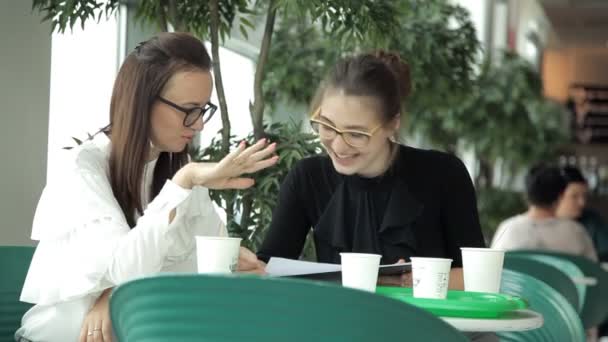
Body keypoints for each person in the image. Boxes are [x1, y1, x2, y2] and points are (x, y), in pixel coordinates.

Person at [16, 32, 275, 342]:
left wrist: (234, 267)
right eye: (188, 110)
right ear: (143, 102)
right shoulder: (83, 169)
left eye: (204, 109)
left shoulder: (178, 166)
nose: (199, 124)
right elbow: (125, 267)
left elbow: (196, 261)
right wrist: (182, 183)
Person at [257, 51, 486, 290]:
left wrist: (412, 280)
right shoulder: (308, 178)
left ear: (392, 123)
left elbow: (478, 276)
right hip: (338, 322)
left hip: (425, 323)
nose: (338, 145)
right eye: (327, 126)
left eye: (356, 134)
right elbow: (270, 266)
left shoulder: (443, 174)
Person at [491, 164, 597, 261]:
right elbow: (594, 272)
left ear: (527, 194)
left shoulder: (508, 229)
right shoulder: (576, 232)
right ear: (560, 196)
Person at [556, 166, 608, 263]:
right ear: (557, 196)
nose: (582, 202)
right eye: (574, 196)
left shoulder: (593, 220)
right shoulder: (544, 223)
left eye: (584, 196)